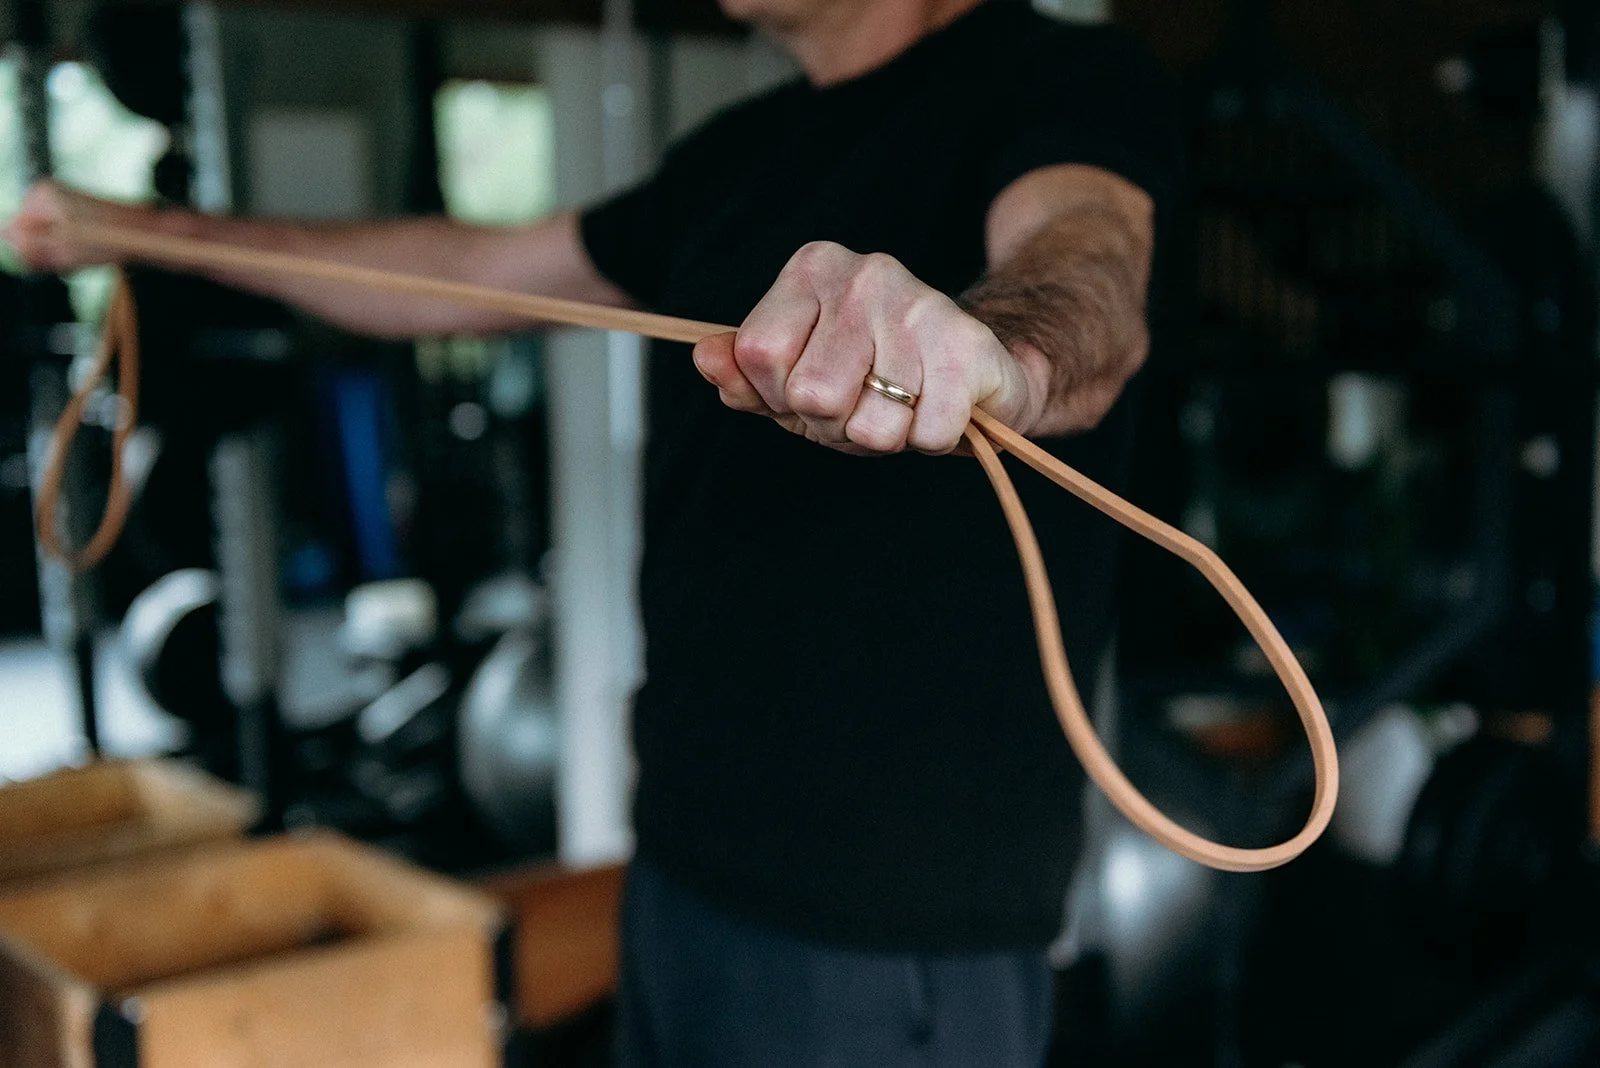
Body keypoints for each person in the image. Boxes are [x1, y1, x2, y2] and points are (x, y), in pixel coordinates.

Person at [6, 0, 1177, 1061]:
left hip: (888, 927)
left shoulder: (1061, 78)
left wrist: (998, 360)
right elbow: (467, 273)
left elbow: (1088, 271)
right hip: (679, 864)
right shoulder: (732, 155)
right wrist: (154, 234)